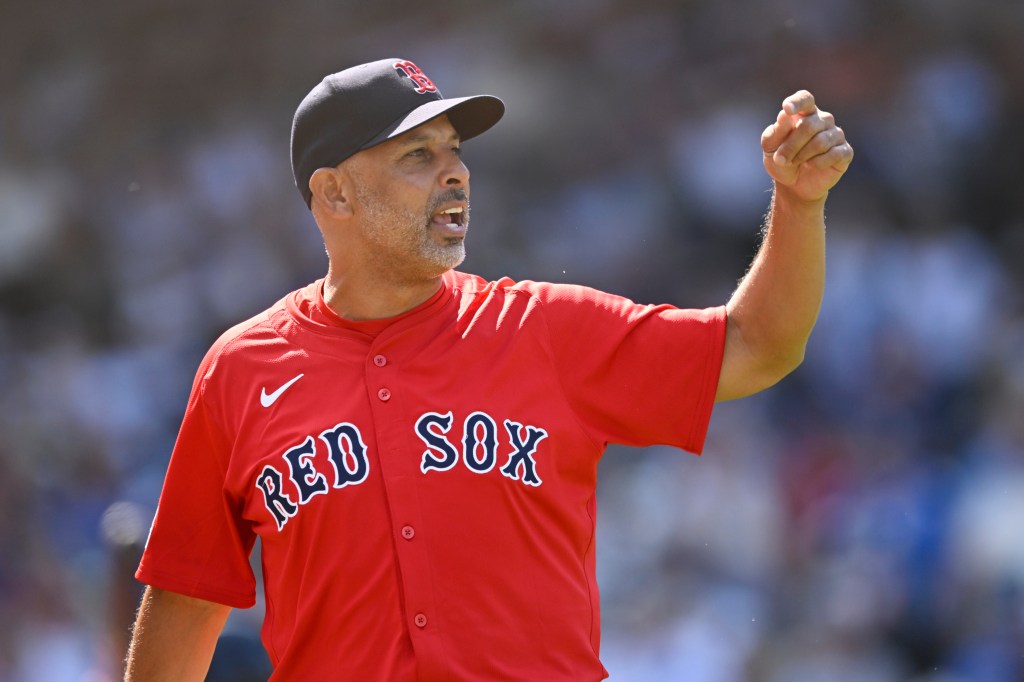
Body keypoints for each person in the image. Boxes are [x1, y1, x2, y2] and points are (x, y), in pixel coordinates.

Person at [123, 57, 853, 680]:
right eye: (418, 155)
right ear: (334, 192)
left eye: (455, 151)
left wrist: (798, 201)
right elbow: (187, 600)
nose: (455, 174)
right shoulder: (243, 370)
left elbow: (760, 345)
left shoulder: (545, 329)